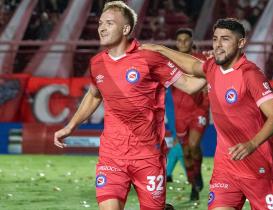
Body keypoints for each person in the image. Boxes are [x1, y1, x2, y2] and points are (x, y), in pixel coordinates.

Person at [53, 1, 206, 210]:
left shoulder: (149, 59)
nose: (102, 28)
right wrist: (70, 126)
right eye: (100, 23)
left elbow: (189, 85)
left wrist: (214, 70)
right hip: (112, 155)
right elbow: (94, 94)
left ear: (125, 29)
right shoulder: (97, 63)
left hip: (147, 155)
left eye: (109, 23)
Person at [141, 18, 273, 210]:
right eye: (215, 38)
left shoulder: (250, 75)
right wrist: (160, 50)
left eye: (225, 39)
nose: (218, 44)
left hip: (257, 167)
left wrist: (252, 144)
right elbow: (192, 67)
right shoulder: (212, 67)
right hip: (226, 167)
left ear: (241, 42)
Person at [170, 28, 209, 201]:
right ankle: (193, 185)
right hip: (179, 115)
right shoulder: (170, 61)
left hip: (199, 109)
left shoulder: (202, 59)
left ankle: (198, 174)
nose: (183, 43)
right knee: (185, 152)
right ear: (176, 43)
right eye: (180, 40)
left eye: (186, 40)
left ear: (191, 41)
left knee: (193, 145)